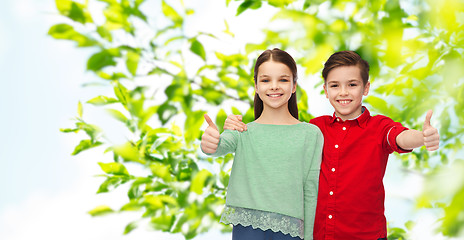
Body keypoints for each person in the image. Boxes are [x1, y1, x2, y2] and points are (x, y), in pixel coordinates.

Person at [222, 50, 440, 240]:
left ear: (366, 88)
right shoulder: (315, 129)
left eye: (352, 85)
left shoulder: (378, 126)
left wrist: (422, 137)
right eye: (335, 85)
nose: (343, 92)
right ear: (326, 90)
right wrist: (236, 126)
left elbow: (399, 137)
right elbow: (281, 146)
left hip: (365, 235)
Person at [200, 48, 324, 240]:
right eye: (266, 80)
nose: (274, 86)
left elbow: (310, 189)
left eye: (283, 79)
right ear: (256, 86)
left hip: (291, 231)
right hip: (247, 228)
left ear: (294, 86)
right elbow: (218, 146)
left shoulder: (310, 134)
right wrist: (210, 141)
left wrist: (308, 237)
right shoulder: (241, 131)